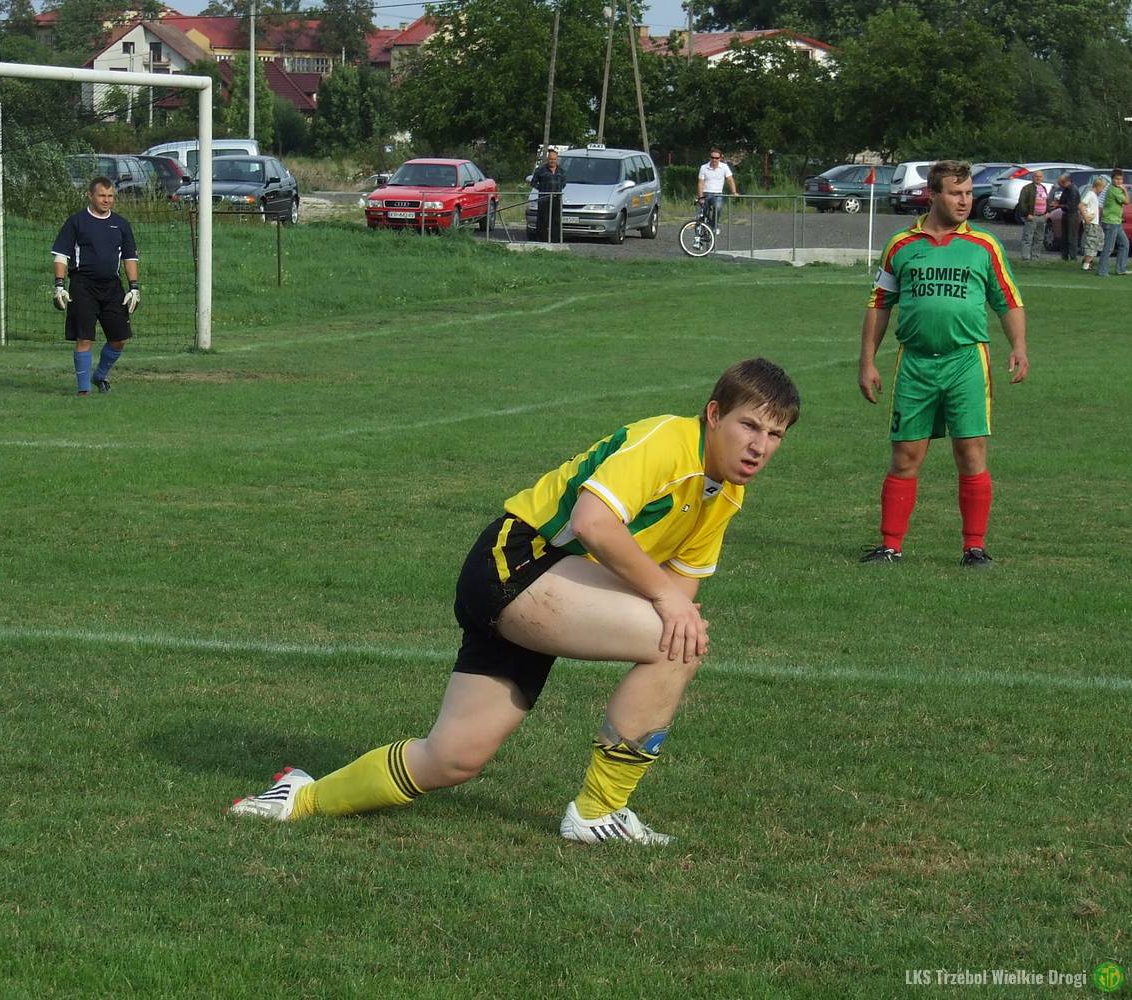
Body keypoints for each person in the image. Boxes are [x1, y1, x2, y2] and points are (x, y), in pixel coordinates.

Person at [228, 358, 801, 845]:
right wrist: (667, 609)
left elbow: (680, 592)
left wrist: (670, 611)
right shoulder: (669, 442)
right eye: (749, 425)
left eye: (775, 435)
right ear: (713, 414)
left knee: (452, 758)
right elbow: (593, 522)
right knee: (677, 641)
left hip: (552, 586)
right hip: (516, 562)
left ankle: (299, 797)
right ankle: (598, 812)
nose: (759, 446)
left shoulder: (725, 495)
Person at [858, 160, 1029, 569]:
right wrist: (867, 361)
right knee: (905, 456)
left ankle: (974, 548)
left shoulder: (984, 245)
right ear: (933, 195)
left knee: (971, 452)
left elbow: (1008, 300)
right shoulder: (900, 245)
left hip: (966, 361)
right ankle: (890, 546)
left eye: (968, 193)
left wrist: (1019, 346)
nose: (965, 201)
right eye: (956, 193)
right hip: (915, 364)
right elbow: (879, 305)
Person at [51, 178, 140, 395]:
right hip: (83, 286)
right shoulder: (76, 222)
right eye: (102, 196)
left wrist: (134, 288)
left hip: (112, 288)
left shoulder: (121, 224)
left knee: (119, 340)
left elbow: (129, 258)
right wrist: (59, 285)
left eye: (110, 196)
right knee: (85, 338)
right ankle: (83, 391)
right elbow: (61, 255)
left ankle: (99, 376)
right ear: (90, 196)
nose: (106, 200)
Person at [1095, 167, 1129, 277]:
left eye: (1121, 179)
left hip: (1117, 221)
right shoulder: (1113, 190)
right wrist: (1125, 190)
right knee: (1109, 248)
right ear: (1112, 179)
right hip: (1111, 222)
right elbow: (1127, 201)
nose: (1119, 181)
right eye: (1116, 179)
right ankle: (1102, 271)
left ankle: (1121, 269)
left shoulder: (1116, 189)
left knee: (1124, 244)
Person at [696, 147, 738, 234]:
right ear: (710, 158)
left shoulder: (724, 167)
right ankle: (700, 234)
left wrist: (734, 192)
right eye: (712, 157)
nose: (714, 160)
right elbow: (700, 183)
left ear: (720, 158)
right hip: (706, 193)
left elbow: (730, 179)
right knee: (701, 213)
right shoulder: (704, 167)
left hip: (717, 194)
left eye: (716, 158)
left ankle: (713, 226)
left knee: (718, 207)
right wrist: (700, 197)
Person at [529, 147, 566, 243]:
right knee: (543, 221)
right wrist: (542, 189)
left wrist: (557, 190)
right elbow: (533, 183)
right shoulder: (540, 170)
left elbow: (564, 184)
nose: (552, 161)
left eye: (554, 159)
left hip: (556, 199)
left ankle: (555, 241)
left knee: (556, 221)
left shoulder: (561, 171)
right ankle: (541, 241)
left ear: (557, 160)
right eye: (550, 159)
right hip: (544, 199)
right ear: (547, 159)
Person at [1016, 170, 1045, 261]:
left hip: (1042, 217)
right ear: (1033, 177)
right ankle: (1026, 258)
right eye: (1036, 176)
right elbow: (1022, 202)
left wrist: (1047, 212)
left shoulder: (1043, 188)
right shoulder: (1027, 188)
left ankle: (1036, 258)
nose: (1038, 178)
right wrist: (1027, 214)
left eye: (1040, 176)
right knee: (1028, 238)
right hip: (1032, 216)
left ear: (1042, 178)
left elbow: (1046, 200)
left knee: (1039, 238)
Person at [1079, 176, 1105, 271]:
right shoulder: (1090, 194)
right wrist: (1086, 217)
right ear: (1098, 186)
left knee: (1099, 239)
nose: (1102, 190)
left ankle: (1088, 261)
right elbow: (1081, 205)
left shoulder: (1094, 195)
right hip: (1091, 223)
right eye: (1102, 187)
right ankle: (1086, 264)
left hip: (1095, 222)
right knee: (1092, 242)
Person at [1056, 174, 1080, 261]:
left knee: (1071, 236)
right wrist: (1059, 203)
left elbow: (1071, 206)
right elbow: (1063, 201)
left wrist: (1059, 205)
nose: (1060, 187)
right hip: (1067, 214)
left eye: (1060, 184)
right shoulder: (1067, 189)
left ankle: (1073, 256)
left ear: (1065, 182)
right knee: (1065, 236)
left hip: (1072, 215)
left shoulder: (1072, 190)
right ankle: (1065, 256)